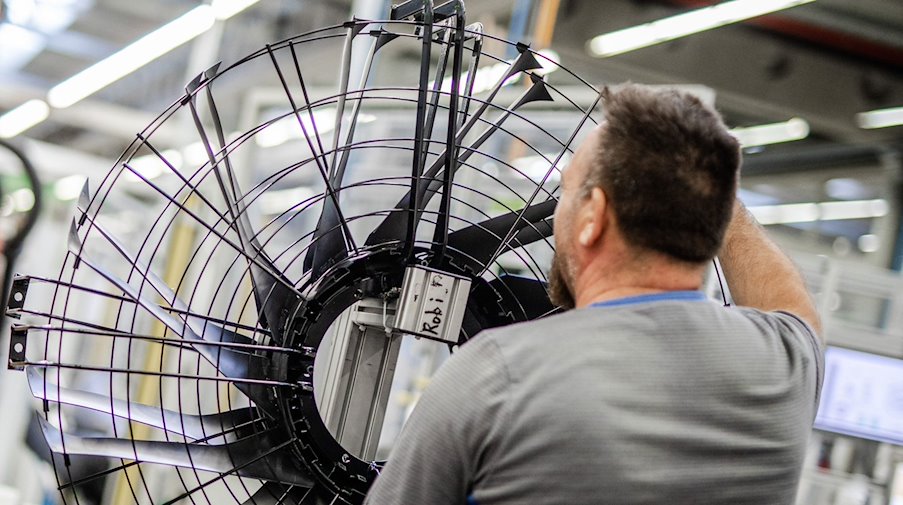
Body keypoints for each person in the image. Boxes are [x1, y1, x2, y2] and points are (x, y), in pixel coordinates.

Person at [364, 83, 824, 505]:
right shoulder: (785, 365)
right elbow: (791, 304)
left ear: (593, 217)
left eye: (564, 191)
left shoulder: (499, 374)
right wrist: (708, 194)